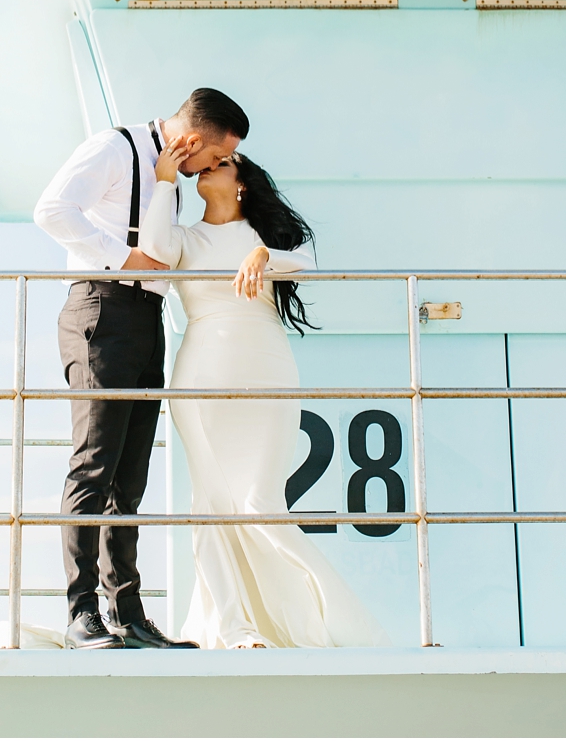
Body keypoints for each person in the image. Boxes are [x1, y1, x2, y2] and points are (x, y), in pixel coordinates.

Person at [141, 146, 388, 649]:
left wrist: (262, 255)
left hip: (265, 365)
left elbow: (307, 262)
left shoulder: (262, 239)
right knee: (209, 503)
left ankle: (320, 617)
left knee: (258, 501)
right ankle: (235, 627)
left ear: (242, 184)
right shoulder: (186, 239)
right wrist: (165, 181)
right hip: (201, 370)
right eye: (205, 165)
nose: (208, 167)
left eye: (222, 164)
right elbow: (153, 246)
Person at [32, 87, 249, 650]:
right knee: (95, 463)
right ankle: (82, 612)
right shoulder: (114, 147)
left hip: (148, 314)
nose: (215, 168)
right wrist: (121, 256)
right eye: (216, 156)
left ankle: (125, 610)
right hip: (101, 306)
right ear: (194, 140)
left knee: (130, 477)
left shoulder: (169, 175)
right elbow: (51, 209)